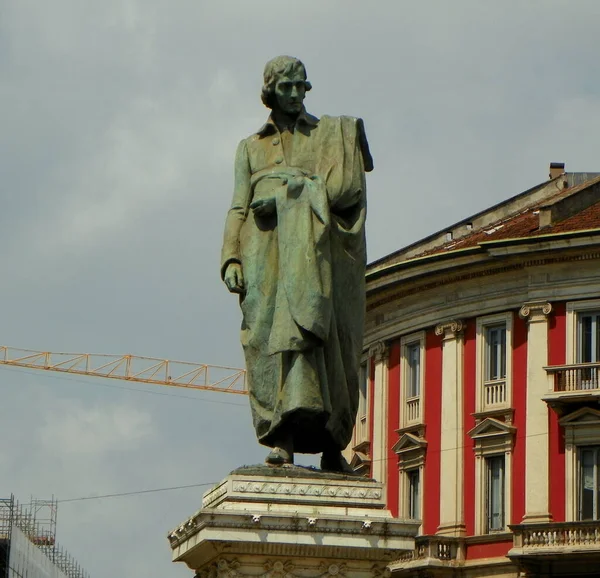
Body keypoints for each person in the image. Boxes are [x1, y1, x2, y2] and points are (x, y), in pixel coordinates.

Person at [221, 55, 373, 472]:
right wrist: (231, 256)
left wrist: (291, 198)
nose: (293, 95)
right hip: (264, 253)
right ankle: (280, 436)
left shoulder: (327, 134)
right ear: (269, 92)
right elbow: (238, 207)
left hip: (320, 254)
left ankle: (331, 445)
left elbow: (345, 194)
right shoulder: (250, 148)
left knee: (328, 345)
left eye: (300, 87)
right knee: (267, 341)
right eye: (285, 88)